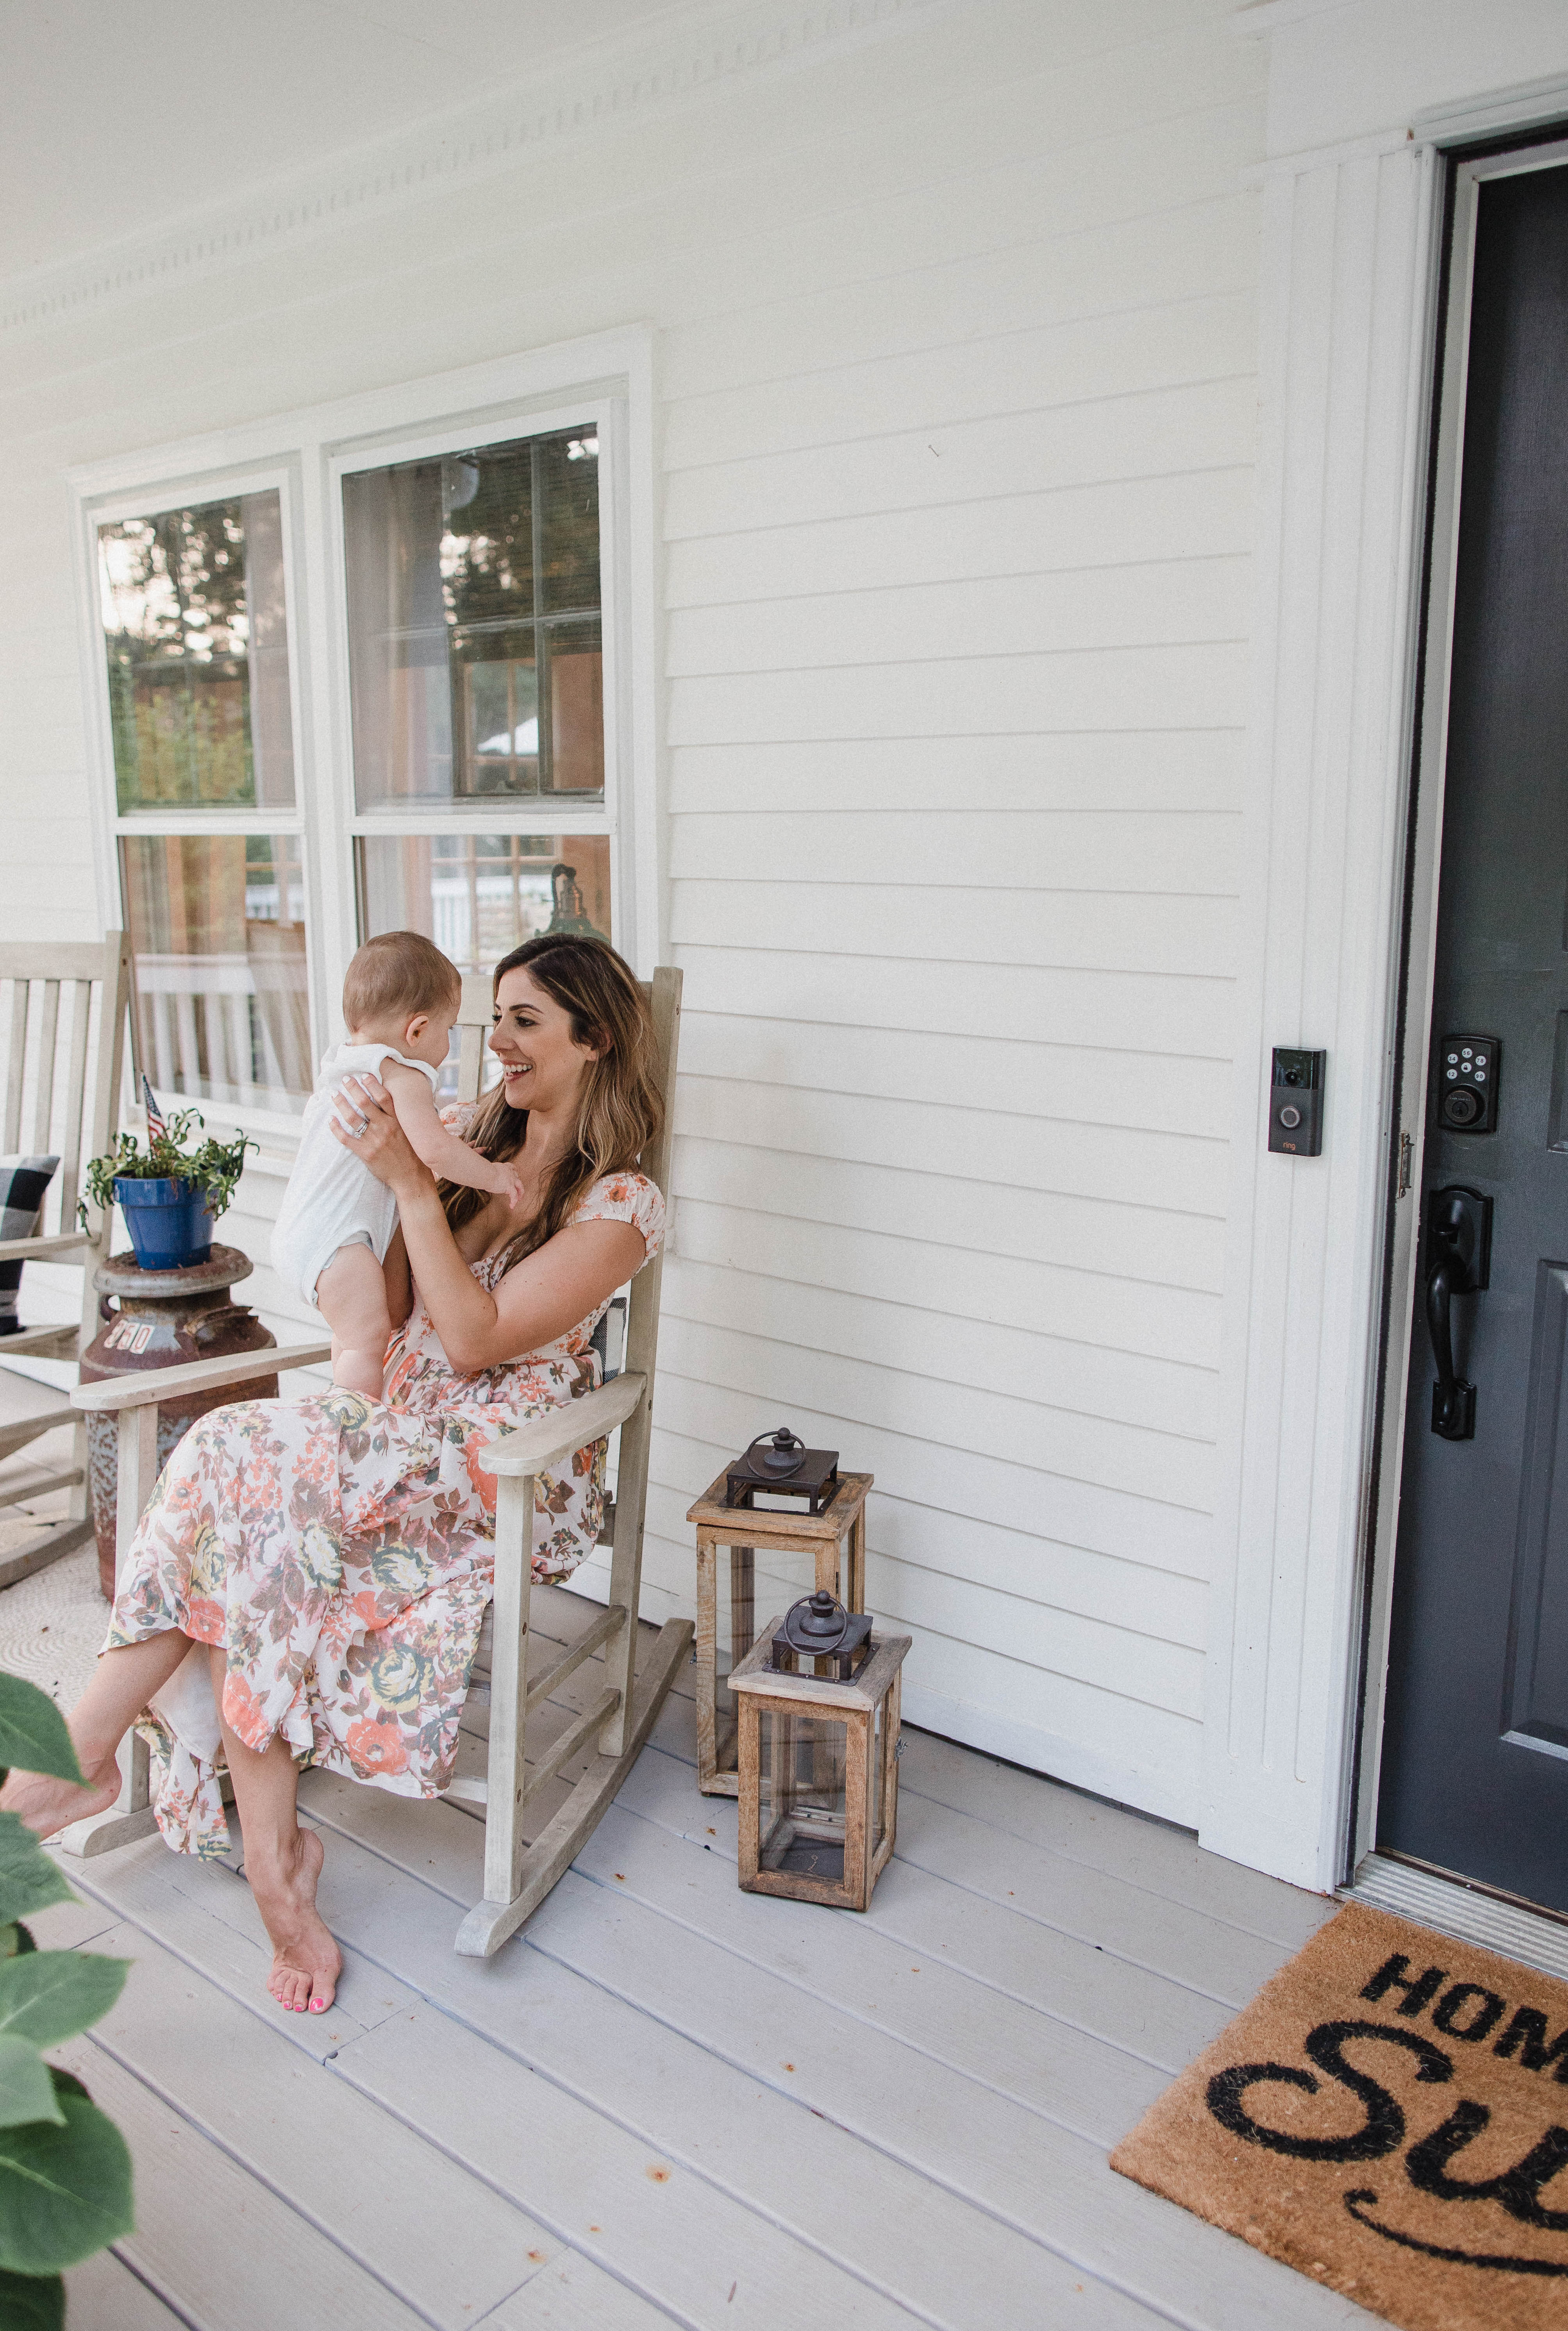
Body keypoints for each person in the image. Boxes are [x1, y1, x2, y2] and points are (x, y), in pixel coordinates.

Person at [0, 936, 665, 2018]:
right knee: (246, 1482)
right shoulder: (459, 1145)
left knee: (235, 1461)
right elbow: (396, 1315)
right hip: (395, 1438)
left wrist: (409, 1182)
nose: (493, 1040)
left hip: (499, 1470)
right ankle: (266, 1853)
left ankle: (90, 1760)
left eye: (524, 1019)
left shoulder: (620, 1204)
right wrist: (381, 1178)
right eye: (490, 1013)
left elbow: (469, 1339)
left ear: (593, 1039)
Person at [270, 930, 524, 1396]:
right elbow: (433, 1152)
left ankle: (340, 1406)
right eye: (448, 1030)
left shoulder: (339, 1069)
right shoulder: (400, 1076)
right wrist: (491, 1174)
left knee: (351, 1338)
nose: (447, 1045)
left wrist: (454, 1155)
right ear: (417, 1030)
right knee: (367, 1343)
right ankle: (356, 1424)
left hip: (301, 1234)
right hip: (341, 1243)